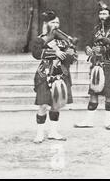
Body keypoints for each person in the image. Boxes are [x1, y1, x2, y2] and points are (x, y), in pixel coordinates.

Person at [74, 2, 110, 130]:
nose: (102, 16)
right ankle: (88, 120)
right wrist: (88, 49)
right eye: (100, 13)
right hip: (96, 65)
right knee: (93, 93)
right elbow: (88, 43)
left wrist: (103, 49)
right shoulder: (96, 29)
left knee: (108, 94)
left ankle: (108, 121)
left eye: (105, 13)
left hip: (109, 65)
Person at [31, 10, 77, 143]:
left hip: (61, 75)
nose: (56, 24)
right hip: (44, 75)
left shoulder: (64, 39)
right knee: (43, 105)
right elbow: (36, 53)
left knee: (56, 104)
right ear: (47, 23)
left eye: (57, 22)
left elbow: (72, 57)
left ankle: (53, 132)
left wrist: (70, 54)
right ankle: (40, 133)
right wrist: (55, 53)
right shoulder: (41, 39)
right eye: (53, 22)